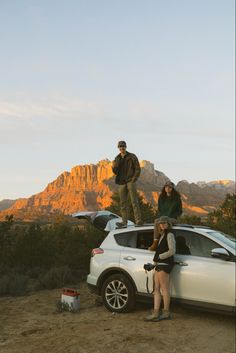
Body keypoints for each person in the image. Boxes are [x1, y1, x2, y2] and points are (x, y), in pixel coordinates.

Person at [145, 216, 176, 322]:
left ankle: (166, 312)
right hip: (159, 264)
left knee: (164, 289)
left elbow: (172, 251)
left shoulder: (170, 234)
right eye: (161, 223)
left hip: (164, 264)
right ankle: (156, 313)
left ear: (168, 224)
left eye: (164, 223)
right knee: (157, 289)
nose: (162, 225)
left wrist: (160, 257)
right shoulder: (163, 235)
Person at [112, 140, 143, 227]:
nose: (122, 148)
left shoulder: (132, 156)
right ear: (118, 148)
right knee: (122, 203)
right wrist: (113, 167)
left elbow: (137, 168)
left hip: (130, 181)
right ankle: (124, 222)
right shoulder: (117, 158)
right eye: (120, 146)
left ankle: (138, 221)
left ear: (126, 147)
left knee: (134, 201)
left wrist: (134, 179)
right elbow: (116, 172)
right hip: (121, 182)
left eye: (123, 146)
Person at [148, 181, 182, 251]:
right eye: (166, 187)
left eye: (170, 187)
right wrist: (161, 217)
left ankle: (157, 243)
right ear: (164, 188)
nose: (168, 188)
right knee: (157, 221)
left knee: (160, 221)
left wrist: (171, 217)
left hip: (173, 219)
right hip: (162, 219)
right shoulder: (161, 197)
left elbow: (180, 211)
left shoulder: (177, 198)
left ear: (172, 189)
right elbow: (159, 209)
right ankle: (155, 242)